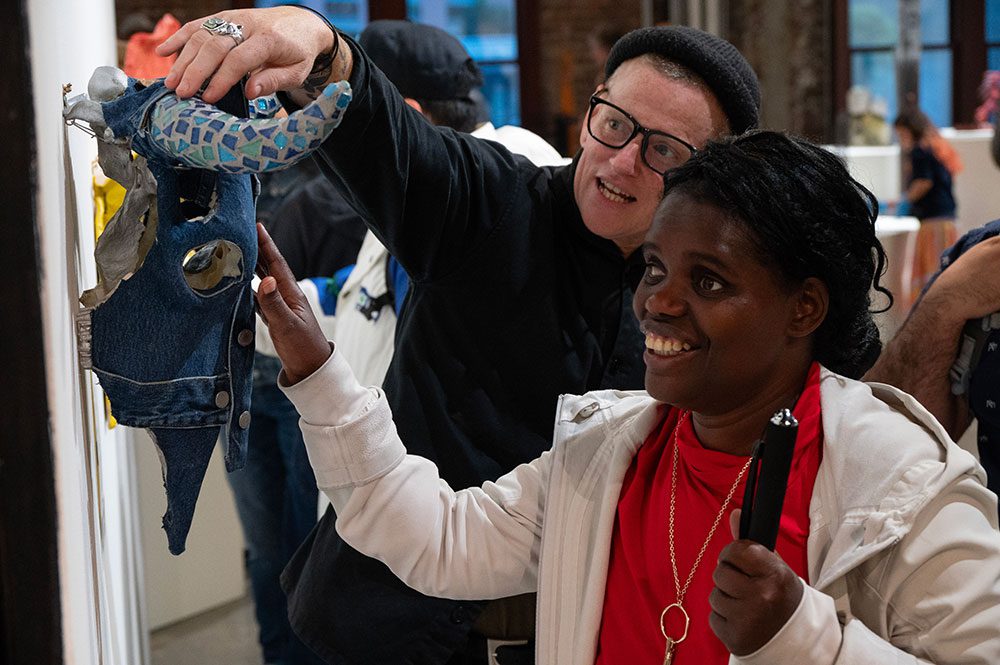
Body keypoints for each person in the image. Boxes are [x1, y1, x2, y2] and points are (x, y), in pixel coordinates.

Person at [256, 130, 1000, 664]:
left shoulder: (901, 485)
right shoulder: (606, 451)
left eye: (708, 280)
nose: (659, 303)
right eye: (654, 268)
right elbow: (435, 539)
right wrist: (317, 368)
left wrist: (807, 640)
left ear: (803, 309)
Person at [159, 9, 759, 664]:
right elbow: (398, 146)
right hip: (396, 619)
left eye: (663, 150)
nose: (620, 161)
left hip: (578, 635)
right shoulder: (496, 201)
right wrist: (324, 49)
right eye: (613, 124)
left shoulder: (704, 304)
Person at [893, 108, 958, 305]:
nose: (900, 139)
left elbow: (924, 182)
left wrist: (905, 200)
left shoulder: (920, 151)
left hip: (933, 222)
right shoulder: (935, 147)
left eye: (901, 134)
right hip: (946, 219)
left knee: (931, 276)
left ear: (910, 130)